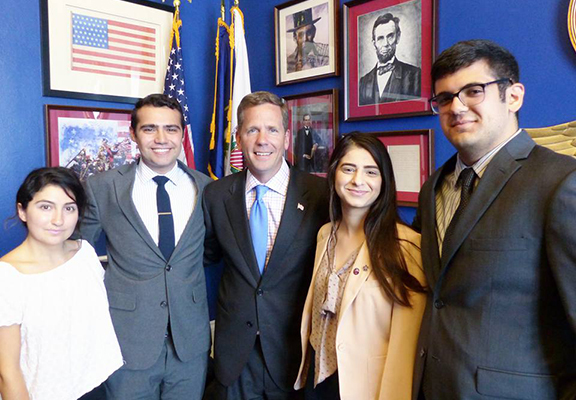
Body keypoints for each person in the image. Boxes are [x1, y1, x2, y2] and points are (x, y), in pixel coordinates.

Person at [412, 39, 576, 399]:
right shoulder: (433, 188)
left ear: (513, 96)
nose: (456, 107)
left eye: (473, 91)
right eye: (444, 98)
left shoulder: (562, 182)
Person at [76, 94, 212, 399]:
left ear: (182, 134)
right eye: (150, 129)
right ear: (133, 134)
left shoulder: (207, 188)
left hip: (189, 342)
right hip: (127, 341)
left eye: (171, 129)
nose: (162, 138)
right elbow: (77, 253)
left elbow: (212, 250)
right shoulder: (102, 187)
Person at [203, 91, 329, 399]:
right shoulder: (216, 196)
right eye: (252, 130)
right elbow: (207, 258)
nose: (262, 140)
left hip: (292, 354)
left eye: (272, 129)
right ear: (238, 138)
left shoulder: (321, 194)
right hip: (234, 357)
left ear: (286, 138)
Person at [294, 132, 426, 399]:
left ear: (384, 181)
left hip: (366, 388)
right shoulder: (324, 234)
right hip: (316, 383)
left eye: (370, 172)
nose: (358, 181)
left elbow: (406, 347)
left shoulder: (408, 247)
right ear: (333, 175)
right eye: (348, 169)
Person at [0, 167, 122, 400]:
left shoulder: (85, 254)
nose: (58, 220)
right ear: (22, 211)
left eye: (69, 208)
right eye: (46, 207)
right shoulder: (8, 277)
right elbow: (8, 373)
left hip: (95, 386)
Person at [359, 13, 421, 105]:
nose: (385, 43)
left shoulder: (415, 75)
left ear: (398, 37)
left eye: (390, 36)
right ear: (374, 43)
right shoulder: (363, 81)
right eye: (380, 38)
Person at [287, 8, 329, 73]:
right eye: (301, 34)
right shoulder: (288, 61)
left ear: (314, 32)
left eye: (309, 33)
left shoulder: (326, 52)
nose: (305, 38)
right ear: (295, 37)